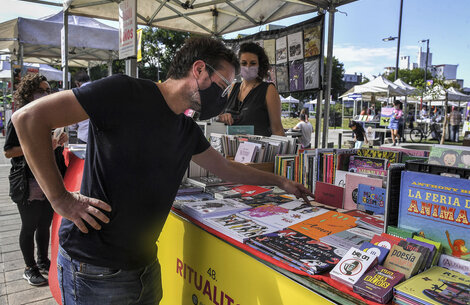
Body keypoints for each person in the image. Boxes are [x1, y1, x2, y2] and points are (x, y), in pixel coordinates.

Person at [11, 37, 312, 304]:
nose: (226, 95)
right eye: (224, 84)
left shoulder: (186, 129)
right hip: (94, 269)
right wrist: (60, 199)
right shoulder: (124, 91)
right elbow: (28, 119)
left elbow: (227, 169)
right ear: (199, 70)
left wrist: (281, 182)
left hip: (145, 269)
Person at [4, 74, 67, 286]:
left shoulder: (49, 117)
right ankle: (29, 267)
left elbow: (50, 146)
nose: (46, 94)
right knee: (29, 225)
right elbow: (9, 151)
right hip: (27, 181)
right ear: (29, 93)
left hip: (48, 179)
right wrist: (39, 147)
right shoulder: (19, 116)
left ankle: (42, 260)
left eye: (48, 90)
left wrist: (59, 142)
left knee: (44, 225)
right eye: (42, 90)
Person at [218, 42, 285, 136]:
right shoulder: (232, 88)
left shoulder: (268, 90)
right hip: (232, 149)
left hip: (259, 148)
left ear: (260, 65)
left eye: (253, 63)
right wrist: (221, 118)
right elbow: (216, 117)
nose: (248, 67)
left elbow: (277, 129)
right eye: (244, 63)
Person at [68, 71, 91, 143]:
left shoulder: (76, 95)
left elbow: (72, 125)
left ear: (77, 83)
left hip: (84, 137)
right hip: (101, 138)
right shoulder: (100, 90)